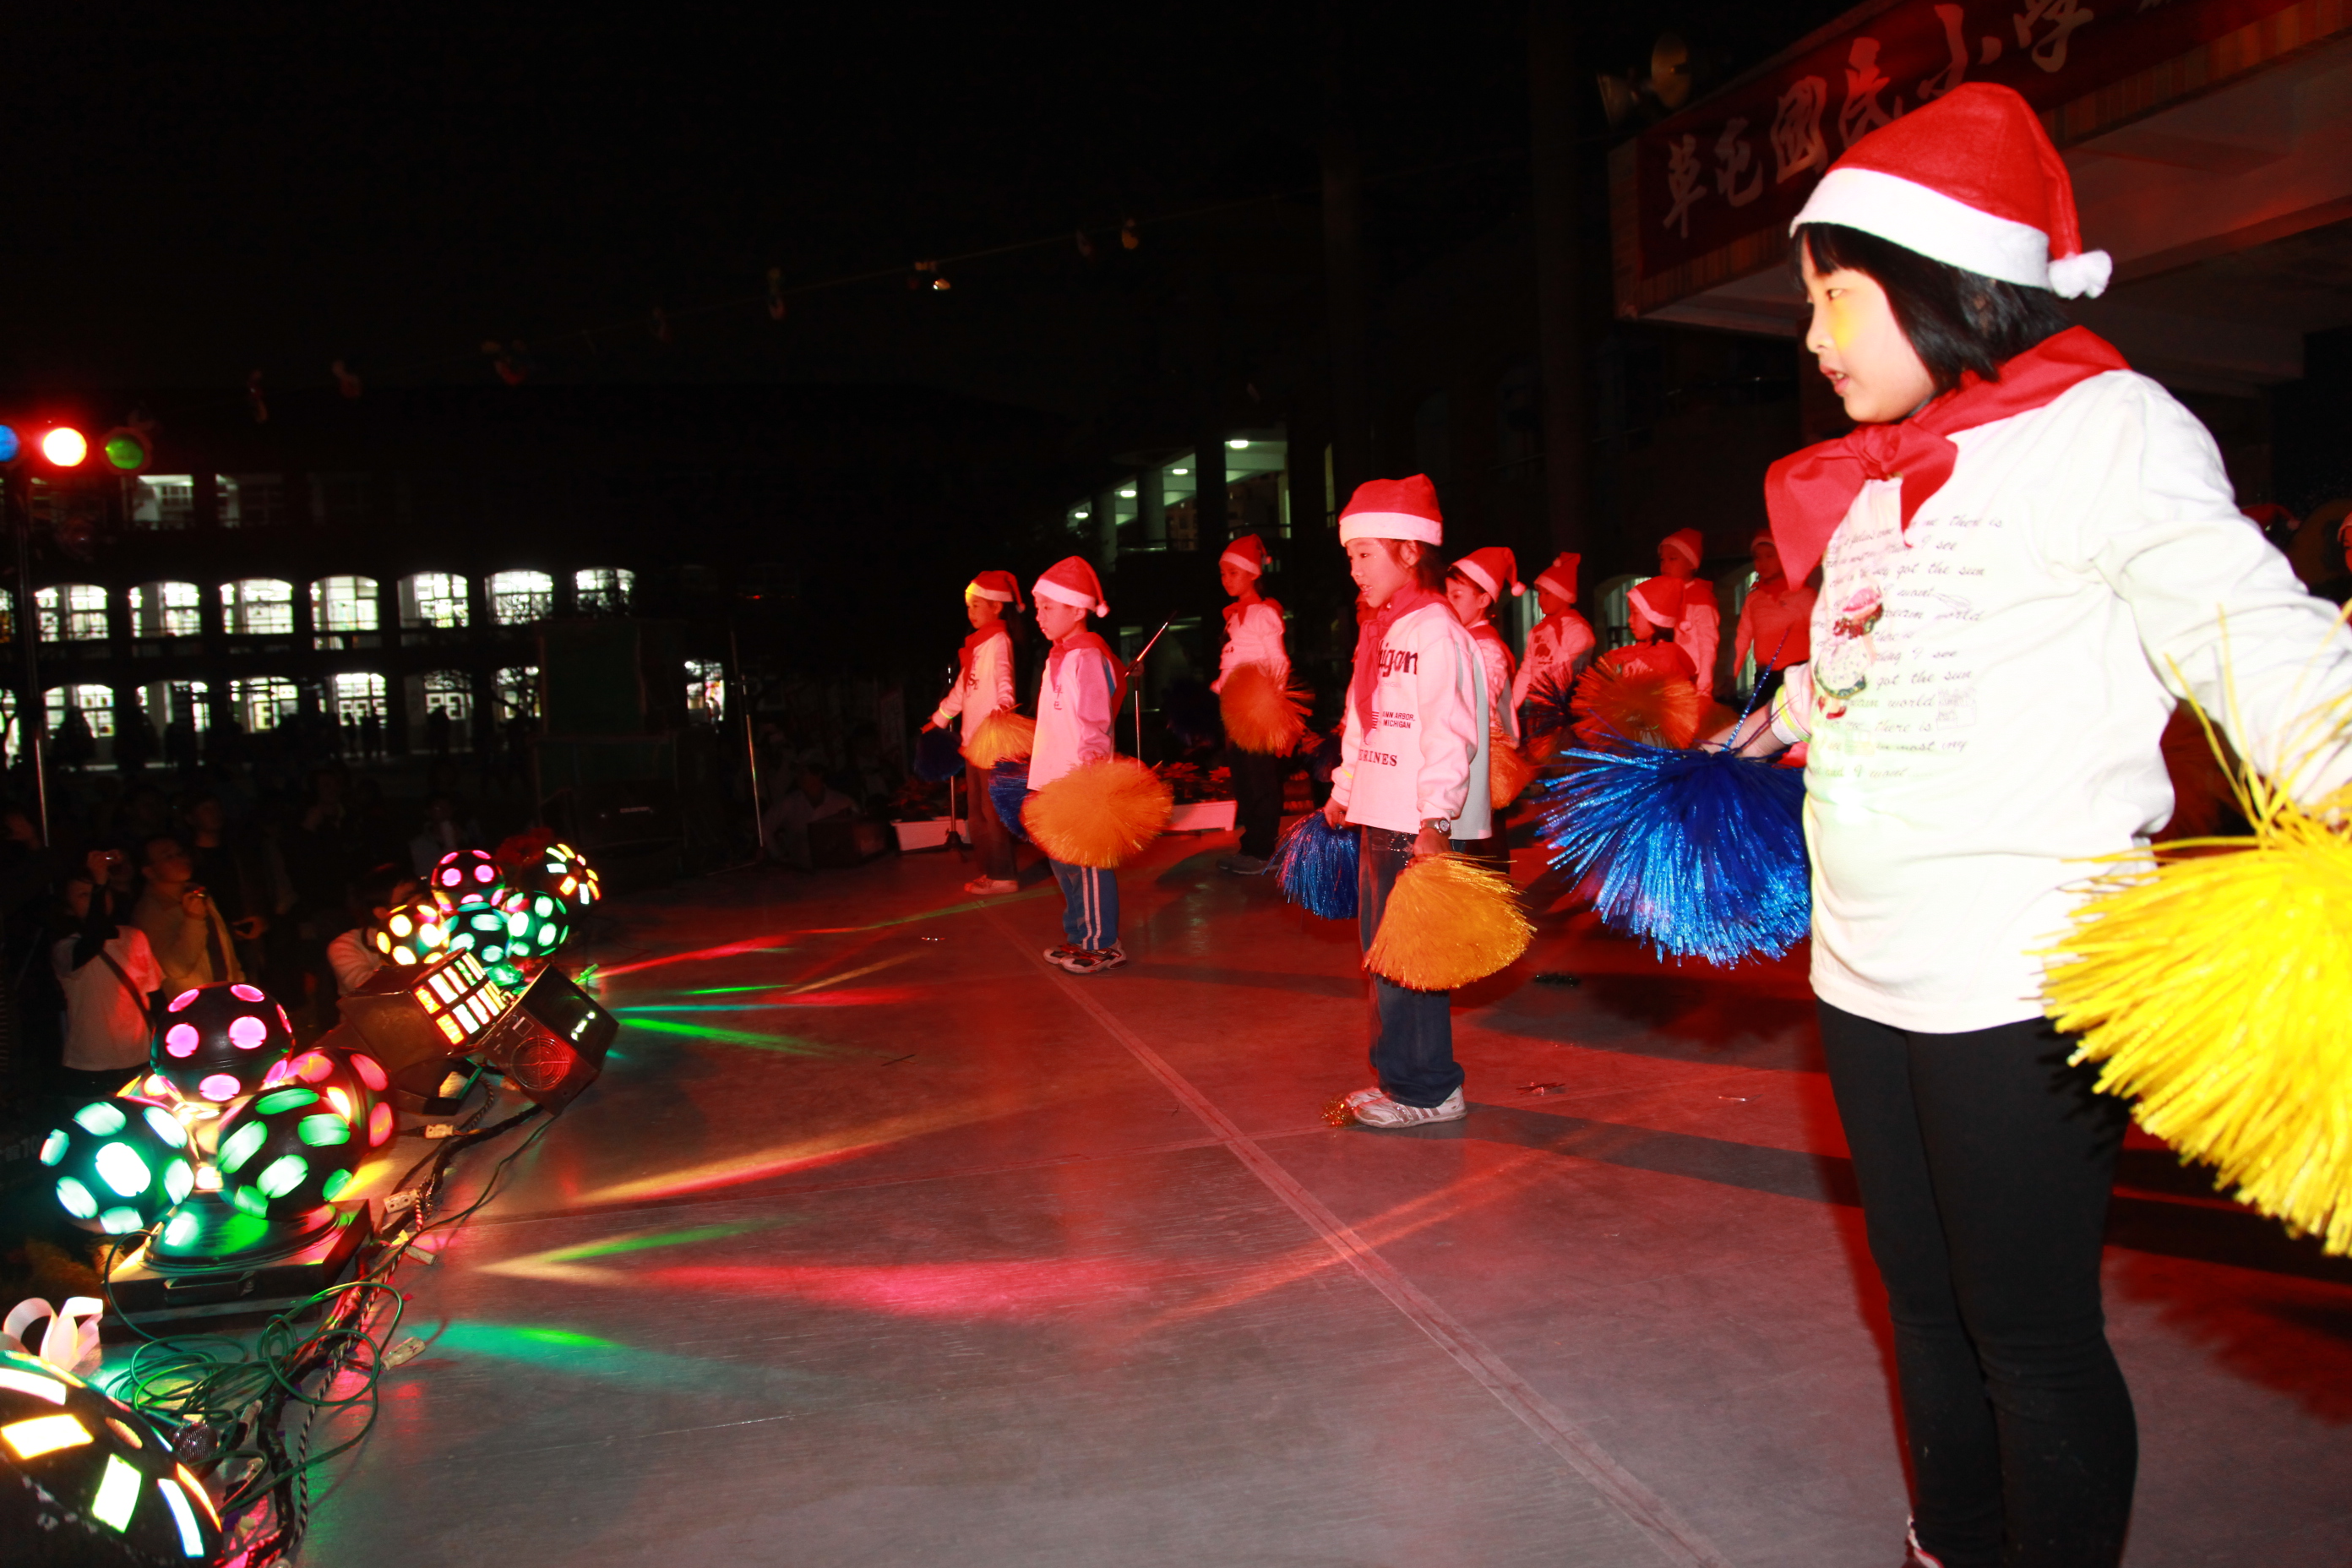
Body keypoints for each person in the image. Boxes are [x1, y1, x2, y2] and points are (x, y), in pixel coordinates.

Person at [1725, 84, 2352, 1568]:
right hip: (1858, 969)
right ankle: (1946, 1545)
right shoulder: (1882, 477)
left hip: (2020, 976)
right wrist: (1775, 722)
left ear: (1941, 278)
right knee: (1921, 1310)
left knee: (2028, 1335)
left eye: (1832, 295)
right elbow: (1865, 668)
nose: (1811, 336)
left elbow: (2255, 640)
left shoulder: (2107, 429)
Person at [1323, 476, 1489, 1129]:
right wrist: (1344, 790)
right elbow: (1362, 721)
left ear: (1411, 552)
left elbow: (1450, 730)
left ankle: (1430, 1090)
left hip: (1414, 822)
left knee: (1411, 961)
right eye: (1351, 556)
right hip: (1378, 812)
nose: (1355, 568)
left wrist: (1435, 819)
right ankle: (1399, 1080)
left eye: (1366, 554)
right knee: (1382, 957)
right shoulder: (1381, 628)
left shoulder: (1436, 631)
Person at [1027, 556, 1127, 975]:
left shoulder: (1087, 656)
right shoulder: (1059, 656)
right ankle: (1079, 935)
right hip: (1052, 778)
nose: (1039, 615)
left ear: (1077, 610)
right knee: (1063, 861)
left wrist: (1091, 773)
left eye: (1047, 607)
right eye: (1037, 607)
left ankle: (1103, 943)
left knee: (1087, 863)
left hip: (1079, 778)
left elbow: (1094, 720)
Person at [921, 569, 1023, 896]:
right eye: (969, 606)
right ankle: (991, 872)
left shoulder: (999, 641)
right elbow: (962, 691)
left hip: (991, 741)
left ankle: (1004, 875)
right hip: (972, 742)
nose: (971, 612)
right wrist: (938, 719)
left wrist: (1004, 705)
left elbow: (1005, 677)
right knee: (976, 812)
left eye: (977, 605)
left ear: (996, 606)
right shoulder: (977, 645)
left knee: (991, 813)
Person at [1210, 533, 1290, 876]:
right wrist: (1220, 688)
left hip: (1257, 709)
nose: (1226, 579)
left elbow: (1278, 660)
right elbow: (1234, 661)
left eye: (1233, 573)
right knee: (1244, 779)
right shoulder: (1234, 616)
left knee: (1259, 779)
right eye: (1223, 573)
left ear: (1253, 573)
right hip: (1236, 709)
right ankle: (1253, 845)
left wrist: (1272, 702)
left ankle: (1262, 849)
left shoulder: (1263, 613)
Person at [53, 849, 162, 1098]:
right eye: (84, 895)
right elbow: (93, 939)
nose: (96, 899)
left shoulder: (134, 937)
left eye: (99, 892)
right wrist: (100, 884)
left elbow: (155, 996)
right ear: (67, 908)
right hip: (92, 1064)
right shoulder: (66, 949)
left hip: (142, 1057)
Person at [1444, 545, 1522, 874]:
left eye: (1457, 595)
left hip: (1481, 756)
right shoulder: (1460, 639)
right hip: (1465, 749)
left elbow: (1481, 704)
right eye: (1446, 594)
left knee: (1482, 844)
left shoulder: (1487, 647)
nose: (1448, 602)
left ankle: (1495, 901)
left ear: (1484, 599)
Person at [133, 835, 244, 994]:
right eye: (168, 857)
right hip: (194, 1002)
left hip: (228, 994)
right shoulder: (150, 913)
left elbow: (224, 948)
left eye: (180, 853)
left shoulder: (196, 892)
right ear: (149, 871)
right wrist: (194, 920)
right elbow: (176, 969)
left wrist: (239, 983)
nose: (180, 860)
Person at [1627, 529, 1720, 697]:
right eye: (1662, 560)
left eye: (1673, 559)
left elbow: (1708, 644)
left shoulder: (1701, 599)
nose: (1665, 565)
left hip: (1692, 678)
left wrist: (1704, 685)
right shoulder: (1664, 596)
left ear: (1691, 563)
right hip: (1668, 674)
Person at [1731, 527, 1816, 710]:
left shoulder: (1803, 595)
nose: (1763, 562)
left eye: (1770, 556)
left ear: (1784, 557)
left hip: (1799, 673)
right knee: (1766, 719)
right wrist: (1731, 675)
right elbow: (1742, 638)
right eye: (1757, 557)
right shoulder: (1754, 598)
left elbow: (1820, 635)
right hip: (1765, 676)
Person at [1511, 552, 1596, 715]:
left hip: (1565, 710)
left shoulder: (1576, 629)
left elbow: (1579, 673)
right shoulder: (1537, 631)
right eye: (1539, 593)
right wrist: (1510, 709)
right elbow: (1526, 672)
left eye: (1547, 593)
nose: (1541, 599)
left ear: (1564, 595)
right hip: (1539, 709)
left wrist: (1567, 708)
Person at [326, 863, 420, 995]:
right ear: (381, 912)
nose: (420, 903)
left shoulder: (438, 926)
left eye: (421, 895)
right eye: (408, 899)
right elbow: (365, 988)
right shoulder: (345, 946)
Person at [762, 764, 857, 869]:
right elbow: (764, 826)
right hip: (801, 871)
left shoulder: (843, 802)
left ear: (819, 774)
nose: (798, 777)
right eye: (797, 773)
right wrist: (779, 856)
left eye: (803, 773)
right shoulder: (789, 803)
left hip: (838, 869)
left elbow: (860, 830)